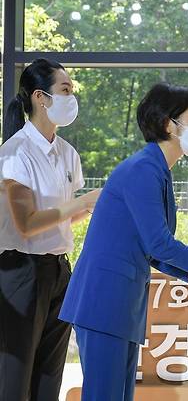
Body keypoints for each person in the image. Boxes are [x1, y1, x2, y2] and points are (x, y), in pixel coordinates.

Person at [59, 83, 188, 401]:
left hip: (118, 303)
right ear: (169, 124)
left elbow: (149, 246)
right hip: (104, 300)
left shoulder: (155, 169)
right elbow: (159, 244)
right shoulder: (143, 170)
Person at [0, 58, 100, 401]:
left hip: (59, 268)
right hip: (21, 272)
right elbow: (26, 224)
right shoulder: (15, 152)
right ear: (40, 97)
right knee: (15, 378)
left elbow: (63, 218)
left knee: (50, 375)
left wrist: (89, 207)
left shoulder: (67, 153)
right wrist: (82, 203)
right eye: (66, 89)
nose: (72, 97)